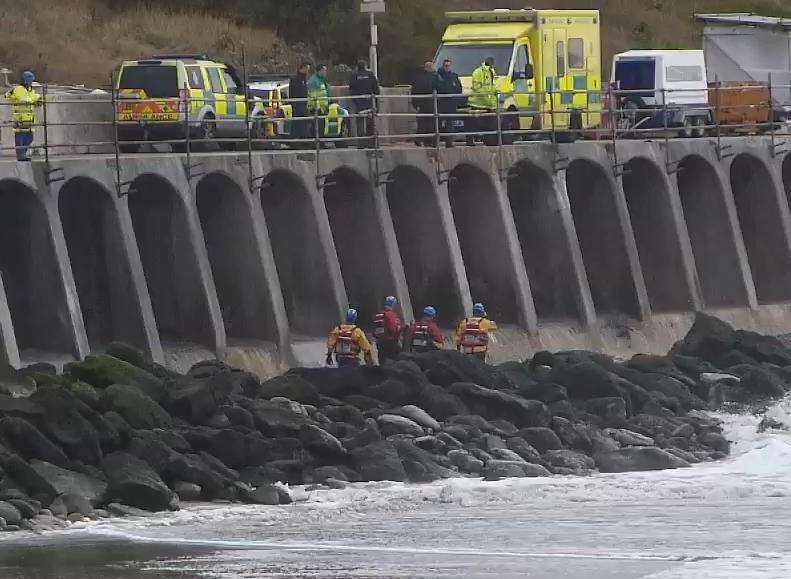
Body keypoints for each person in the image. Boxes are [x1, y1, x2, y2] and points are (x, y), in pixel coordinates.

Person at [5, 71, 41, 161]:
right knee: (20, 138)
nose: (31, 82)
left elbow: (35, 98)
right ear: (25, 80)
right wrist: (35, 99)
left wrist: (37, 101)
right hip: (20, 117)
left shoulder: (30, 89)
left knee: (29, 138)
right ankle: (21, 156)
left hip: (29, 118)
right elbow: (26, 100)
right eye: (30, 80)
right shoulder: (19, 89)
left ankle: (23, 154)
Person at [468, 57, 499, 146]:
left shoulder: (491, 71)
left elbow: (491, 86)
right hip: (477, 103)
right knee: (475, 124)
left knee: (489, 124)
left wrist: (496, 91)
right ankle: (470, 140)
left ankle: (489, 141)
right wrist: (488, 98)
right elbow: (477, 88)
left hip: (488, 103)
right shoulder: (478, 72)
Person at [348, 59, 380, 144]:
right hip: (369, 101)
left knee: (360, 123)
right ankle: (372, 142)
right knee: (371, 122)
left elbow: (351, 90)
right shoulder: (370, 74)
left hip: (359, 102)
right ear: (365, 66)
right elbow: (376, 89)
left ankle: (361, 143)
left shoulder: (354, 76)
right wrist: (375, 101)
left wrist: (356, 100)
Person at [436, 59, 463, 148]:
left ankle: (449, 142)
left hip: (451, 103)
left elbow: (459, 88)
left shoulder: (454, 76)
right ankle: (436, 141)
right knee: (438, 123)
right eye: (446, 66)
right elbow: (437, 88)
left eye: (449, 66)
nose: (447, 67)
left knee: (450, 123)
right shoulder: (438, 76)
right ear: (443, 66)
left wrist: (455, 97)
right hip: (441, 103)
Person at [411, 61, 439, 147]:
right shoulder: (435, 77)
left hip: (421, 102)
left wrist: (415, 104)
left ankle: (420, 139)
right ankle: (431, 141)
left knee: (422, 123)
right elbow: (438, 87)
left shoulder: (418, 78)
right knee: (431, 122)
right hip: (430, 102)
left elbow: (414, 91)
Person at [372, 295, 403, 364]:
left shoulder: (377, 315)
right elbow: (394, 329)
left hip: (380, 343)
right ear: (393, 304)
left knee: (382, 364)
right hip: (391, 343)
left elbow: (374, 331)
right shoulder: (391, 315)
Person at [288, 62, 311, 141]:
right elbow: (294, 92)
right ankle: (294, 139)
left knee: (303, 122)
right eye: (307, 69)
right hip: (297, 104)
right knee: (297, 122)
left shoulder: (304, 79)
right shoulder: (295, 79)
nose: (308, 71)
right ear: (303, 68)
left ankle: (303, 139)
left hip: (303, 104)